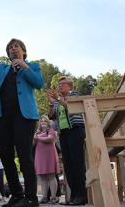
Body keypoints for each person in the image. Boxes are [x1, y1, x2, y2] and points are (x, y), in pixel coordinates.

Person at [0, 31, 44, 207]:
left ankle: (31, 197)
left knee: (24, 155)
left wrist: (24, 66)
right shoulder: (3, 68)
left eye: (16, 46)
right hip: (4, 116)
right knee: (7, 156)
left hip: (24, 116)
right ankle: (17, 195)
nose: (13, 49)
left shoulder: (32, 65)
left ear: (23, 51)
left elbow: (39, 83)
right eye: (10, 47)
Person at [47, 76, 86, 205]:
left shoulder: (75, 94)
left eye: (62, 84)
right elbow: (51, 116)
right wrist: (51, 103)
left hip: (75, 130)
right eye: (58, 85)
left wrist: (58, 98)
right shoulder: (58, 100)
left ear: (70, 85)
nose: (59, 86)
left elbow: (72, 107)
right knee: (68, 166)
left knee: (77, 163)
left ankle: (81, 195)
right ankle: (74, 197)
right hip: (63, 133)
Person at [33, 115, 60, 204]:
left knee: (51, 176)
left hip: (49, 155)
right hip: (40, 156)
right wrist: (34, 137)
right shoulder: (37, 133)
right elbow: (33, 144)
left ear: (48, 122)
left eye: (45, 121)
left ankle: (53, 197)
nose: (43, 122)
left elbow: (50, 139)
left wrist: (38, 138)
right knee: (42, 177)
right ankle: (44, 197)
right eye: (41, 121)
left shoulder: (51, 131)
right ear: (39, 123)